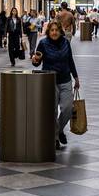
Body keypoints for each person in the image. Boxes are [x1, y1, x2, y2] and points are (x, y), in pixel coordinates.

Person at [31, 18, 80, 149]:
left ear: (60, 31)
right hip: (49, 80)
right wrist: (35, 60)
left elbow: (70, 60)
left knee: (67, 109)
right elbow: (37, 62)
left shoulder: (65, 42)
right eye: (52, 30)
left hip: (65, 80)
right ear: (48, 31)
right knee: (51, 111)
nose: (54, 32)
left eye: (56, 30)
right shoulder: (43, 43)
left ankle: (58, 130)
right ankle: (55, 138)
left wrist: (76, 77)